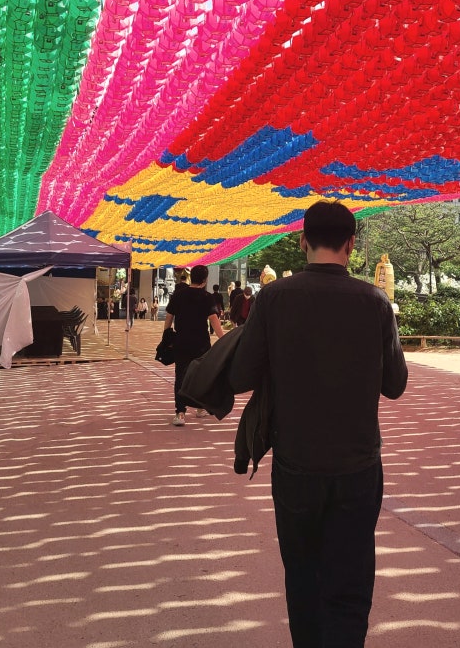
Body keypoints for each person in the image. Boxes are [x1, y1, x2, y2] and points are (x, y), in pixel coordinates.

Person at [229, 201, 408, 648]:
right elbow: (395, 385)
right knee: (350, 584)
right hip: (358, 465)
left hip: (296, 464)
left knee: (303, 578)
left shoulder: (273, 298)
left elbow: (240, 376)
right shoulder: (375, 301)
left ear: (302, 240)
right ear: (351, 244)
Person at [164, 264, 225, 427]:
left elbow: (169, 316)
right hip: (201, 344)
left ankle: (180, 413)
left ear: (191, 278)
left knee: (180, 376)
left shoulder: (178, 295)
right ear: (205, 280)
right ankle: (200, 408)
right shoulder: (207, 297)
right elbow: (214, 320)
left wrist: (166, 335)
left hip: (181, 341)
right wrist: (224, 339)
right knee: (201, 376)